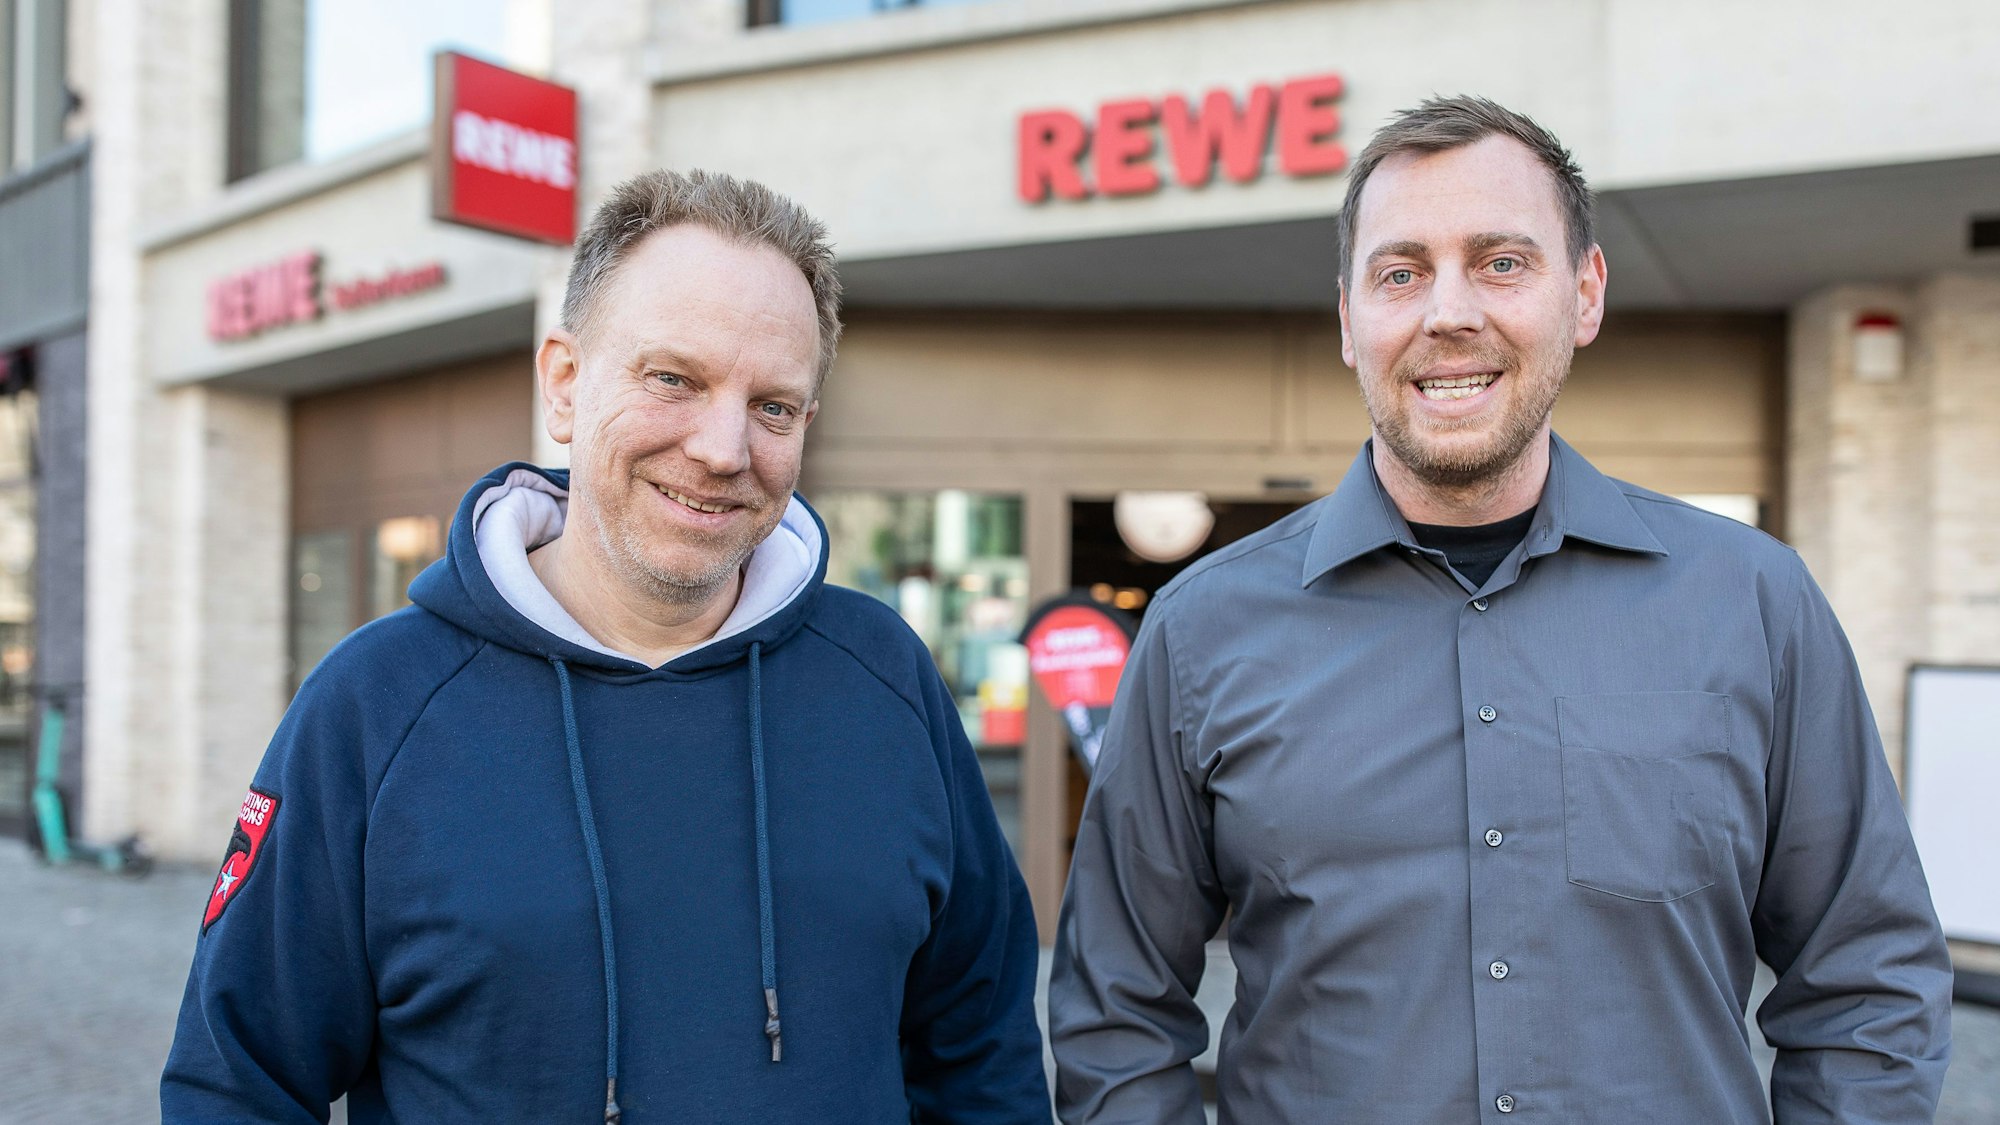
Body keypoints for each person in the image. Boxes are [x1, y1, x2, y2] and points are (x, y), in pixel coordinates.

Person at [1048, 96, 1952, 1123]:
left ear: (1585, 293)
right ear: (1347, 319)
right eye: (1400, 273)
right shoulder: (1201, 630)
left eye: (1500, 262)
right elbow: (1115, 1012)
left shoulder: (1754, 603)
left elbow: (1866, 983)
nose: (1448, 314)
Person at [163, 170, 1051, 1124]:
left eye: (773, 406)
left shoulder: (885, 677)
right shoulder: (376, 703)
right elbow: (239, 1080)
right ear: (564, 383)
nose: (723, 449)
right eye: (673, 379)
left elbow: (981, 1047)